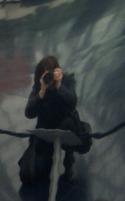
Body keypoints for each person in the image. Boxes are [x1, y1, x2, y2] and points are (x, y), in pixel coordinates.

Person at [21, 55, 86, 183]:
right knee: (29, 173)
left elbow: (72, 102)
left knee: (67, 126)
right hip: (46, 127)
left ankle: (69, 155)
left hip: (66, 123)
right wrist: (42, 91)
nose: (49, 77)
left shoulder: (67, 80)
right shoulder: (39, 86)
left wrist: (59, 86)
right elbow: (29, 113)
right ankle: (46, 155)